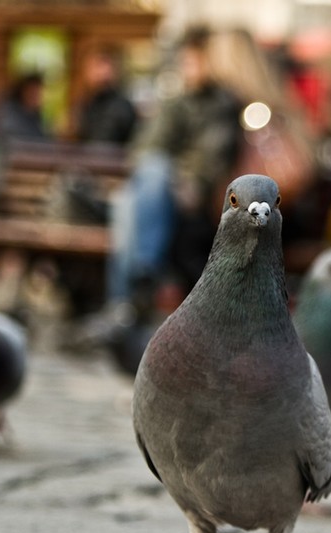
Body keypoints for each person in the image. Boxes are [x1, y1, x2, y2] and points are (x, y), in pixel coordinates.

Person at [106, 25, 243, 317]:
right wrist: (170, 176)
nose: (188, 68)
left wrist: (189, 181)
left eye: (193, 61)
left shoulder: (222, 104)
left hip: (196, 197)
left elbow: (213, 156)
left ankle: (123, 305)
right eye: (185, 62)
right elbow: (144, 148)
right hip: (164, 190)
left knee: (129, 203)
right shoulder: (176, 103)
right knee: (131, 197)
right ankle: (139, 279)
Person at [74, 45, 137, 146]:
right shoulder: (86, 102)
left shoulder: (119, 107)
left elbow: (102, 143)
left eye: (103, 66)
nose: (102, 72)